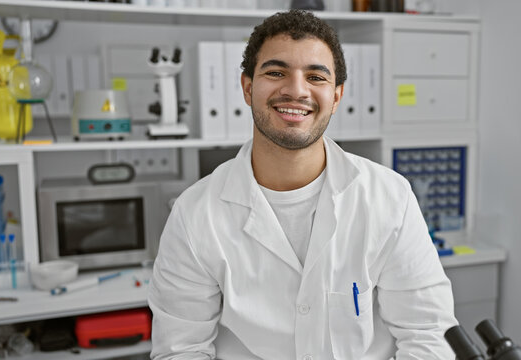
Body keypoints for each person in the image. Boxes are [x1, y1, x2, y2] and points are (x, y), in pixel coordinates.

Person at [148, 9, 457, 360]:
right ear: (248, 87)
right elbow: (180, 349)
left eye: (316, 77)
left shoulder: (390, 197)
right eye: (276, 72)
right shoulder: (195, 214)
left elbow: (429, 334)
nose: (296, 90)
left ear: (337, 96)